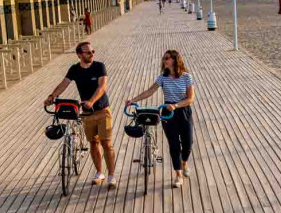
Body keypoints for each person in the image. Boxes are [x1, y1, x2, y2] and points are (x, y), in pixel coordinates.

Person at [45, 41, 116, 188]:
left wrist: (91, 101)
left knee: (106, 144)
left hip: (103, 110)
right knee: (93, 143)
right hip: (87, 114)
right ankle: (99, 173)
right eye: (88, 52)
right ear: (79, 54)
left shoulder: (99, 66)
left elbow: (102, 87)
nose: (92, 54)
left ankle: (111, 176)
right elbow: (64, 84)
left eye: (92, 51)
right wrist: (52, 96)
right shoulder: (74, 69)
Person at [125, 49, 195, 188]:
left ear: (175, 60)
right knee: (174, 145)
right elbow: (150, 91)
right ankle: (178, 175)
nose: (165, 60)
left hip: (183, 111)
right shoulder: (162, 77)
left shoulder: (187, 77)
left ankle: (184, 163)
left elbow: (190, 98)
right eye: (164, 58)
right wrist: (133, 99)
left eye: (168, 58)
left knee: (188, 143)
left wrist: (176, 105)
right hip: (168, 113)